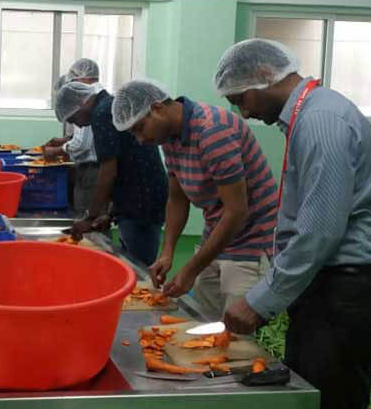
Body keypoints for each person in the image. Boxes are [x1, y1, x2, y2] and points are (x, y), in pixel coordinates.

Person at [215, 38, 371, 409]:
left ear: (266, 75)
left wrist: (260, 301)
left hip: (348, 290)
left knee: (331, 406)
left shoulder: (320, 120)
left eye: (242, 99)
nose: (244, 113)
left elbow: (320, 230)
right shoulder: (312, 115)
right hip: (330, 287)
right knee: (310, 398)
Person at [111, 80, 278, 320]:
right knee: (203, 323)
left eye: (139, 128)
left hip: (250, 244)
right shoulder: (169, 137)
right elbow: (177, 199)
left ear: (157, 108)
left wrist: (191, 268)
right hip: (216, 237)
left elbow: (236, 211)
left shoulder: (213, 130)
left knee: (237, 330)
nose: (139, 139)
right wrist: (167, 252)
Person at [59, 82, 168, 266]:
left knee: (138, 268)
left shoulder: (101, 114)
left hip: (140, 203)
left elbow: (108, 171)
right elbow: (126, 163)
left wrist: (91, 217)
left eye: (72, 118)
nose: (74, 124)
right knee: (133, 257)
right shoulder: (109, 105)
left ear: (81, 104)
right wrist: (110, 213)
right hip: (143, 197)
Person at [42, 59, 102, 216]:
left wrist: (56, 151)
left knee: (86, 217)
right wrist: (64, 141)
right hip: (93, 169)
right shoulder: (98, 97)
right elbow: (85, 136)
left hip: (92, 171)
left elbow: (82, 143)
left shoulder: (90, 99)